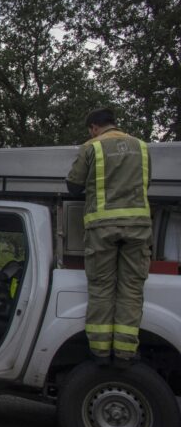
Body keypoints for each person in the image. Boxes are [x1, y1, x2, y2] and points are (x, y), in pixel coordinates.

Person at [66, 107, 152, 367]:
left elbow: (73, 185)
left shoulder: (91, 147)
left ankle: (100, 353)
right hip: (138, 226)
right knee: (131, 288)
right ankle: (126, 353)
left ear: (94, 127)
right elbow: (146, 183)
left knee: (102, 288)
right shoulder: (142, 147)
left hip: (102, 228)